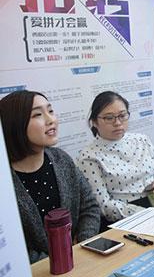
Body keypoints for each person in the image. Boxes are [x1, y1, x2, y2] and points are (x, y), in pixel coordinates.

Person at [0, 90, 100, 263]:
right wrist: (56, 262)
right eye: (38, 115)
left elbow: (89, 206)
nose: (51, 120)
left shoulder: (61, 159)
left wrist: (83, 245)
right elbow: (9, 248)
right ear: (14, 124)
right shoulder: (4, 181)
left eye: (50, 111)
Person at [76, 91, 154, 224]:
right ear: (94, 122)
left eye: (122, 115)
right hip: (125, 217)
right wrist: (145, 214)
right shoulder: (89, 157)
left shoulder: (141, 140)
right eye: (109, 118)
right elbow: (104, 205)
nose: (117, 122)